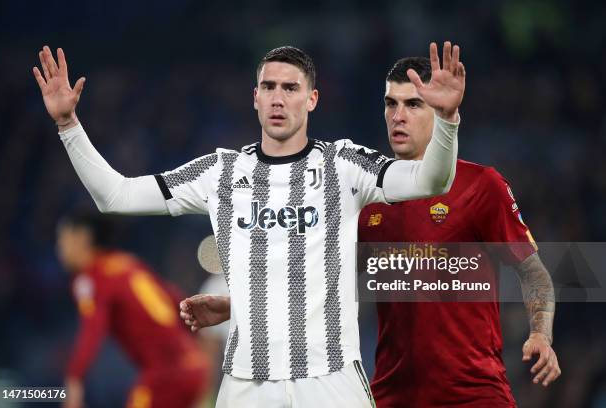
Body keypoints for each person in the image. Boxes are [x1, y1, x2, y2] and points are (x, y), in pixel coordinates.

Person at [34, 42, 465, 407]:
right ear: (255, 97)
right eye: (269, 87)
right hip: (247, 384)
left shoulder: (344, 165)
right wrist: (68, 125)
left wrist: (446, 121)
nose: (278, 98)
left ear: (312, 99)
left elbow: (432, 179)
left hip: (330, 380)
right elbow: (117, 196)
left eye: (291, 88)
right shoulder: (219, 172)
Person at [357, 57, 561, 407]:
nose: (398, 116)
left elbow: (534, 273)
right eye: (391, 103)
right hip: (392, 396)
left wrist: (541, 334)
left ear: (438, 111)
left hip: (475, 395)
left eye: (413, 104)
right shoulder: (367, 195)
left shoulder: (482, 185)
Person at [56, 212, 211, 408]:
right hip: (194, 367)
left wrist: (74, 379)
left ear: (82, 238)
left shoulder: (90, 279)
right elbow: (176, 299)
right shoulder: (128, 263)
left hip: (164, 376)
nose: (59, 248)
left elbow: (92, 331)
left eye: (62, 239)